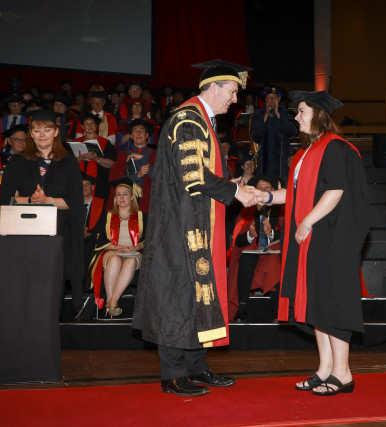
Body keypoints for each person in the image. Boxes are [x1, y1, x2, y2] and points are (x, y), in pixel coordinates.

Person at [132, 60, 257, 397]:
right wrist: (235, 192)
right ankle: (173, 374)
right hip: (179, 227)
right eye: (232, 92)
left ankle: (197, 367)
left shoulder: (200, 119)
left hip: (195, 223)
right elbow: (194, 175)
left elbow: (199, 172)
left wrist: (233, 186)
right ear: (213, 87)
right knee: (176, 297)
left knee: (198, 296)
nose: (235, 100)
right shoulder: (188, 120)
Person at [252, 91, 370, 396]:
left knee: (332, 301)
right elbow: (294, 195)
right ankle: (325, 369)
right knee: (317, 302)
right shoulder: (304, 154)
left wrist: (306, 222)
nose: (296, 117)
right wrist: (265, 196)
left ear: (318, 114)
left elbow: (336, 191)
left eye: (302, 111)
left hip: (331, 236)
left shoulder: (335, 147)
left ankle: (343, 373)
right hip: (314, 239)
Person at [0, 109, 85, 315]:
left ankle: (50, 318)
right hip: (25, 232)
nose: (42, 134)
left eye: (47, 129)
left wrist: (48, 201)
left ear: (56, 132)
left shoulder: (68, 162)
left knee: (51, 281)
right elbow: (7, 200)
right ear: (31, 133)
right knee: (27, 281)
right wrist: (30, 200)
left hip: (58, 233)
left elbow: (74, 203)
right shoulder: (18, 161)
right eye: (37, 130)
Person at [86, 177, 146, 317]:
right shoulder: (107, 216)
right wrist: (114, 246)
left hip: (133, 252)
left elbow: (151, 239)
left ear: (132, 197)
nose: (121, 197)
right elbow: (97, 238)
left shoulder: (142, 217)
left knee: (131, 261)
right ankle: (112, 302)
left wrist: (137, 247)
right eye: (118, 194)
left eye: (125, 194)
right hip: (112, 251)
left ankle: (111, 302)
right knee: (114, 260)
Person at [227, 175, 283, 322]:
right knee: (245, 261)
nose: (263, 191)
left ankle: (277, 310)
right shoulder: (247, 210)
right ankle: (242, 309)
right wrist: (250, 235)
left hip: (272, 254)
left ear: (273, 190)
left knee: (274, 262)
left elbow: (287, 235)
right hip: (251, 254)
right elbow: (238, 242)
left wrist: (271, 233)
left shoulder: (281, 210)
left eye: (267, 188)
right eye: (260, 188)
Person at [108, 119, 156, 214]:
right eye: (135, 130)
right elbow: (116, 179)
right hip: (127, 201)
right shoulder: (123, 155)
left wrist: (141, 158)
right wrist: (138, 175)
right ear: (131, 136)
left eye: (141, 130)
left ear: (147, 135)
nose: (138, 133)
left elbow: (159, 177)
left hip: (149, 201)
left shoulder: (155, 154)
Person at [250, 86, 297, 179]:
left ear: (279, 99)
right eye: (269, 97)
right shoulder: (258, 114)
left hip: (282, 155)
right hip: (264, 156)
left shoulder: (287, 114)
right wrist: (266, 115)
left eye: (274, 97)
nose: (272, 100)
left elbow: (292, 132)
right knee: (264, 179)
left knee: (282, 179)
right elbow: (255, 136)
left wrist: (278, 114)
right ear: (265, 99)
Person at [0, 94, 27, 158]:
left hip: (24, 153)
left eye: (17, 104)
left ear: (21, 105)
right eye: (11, 104)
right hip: (4, 154)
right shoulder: (0, 122)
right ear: (8, 106)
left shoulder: (28, 121)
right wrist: (4, 144)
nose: (14, 106)